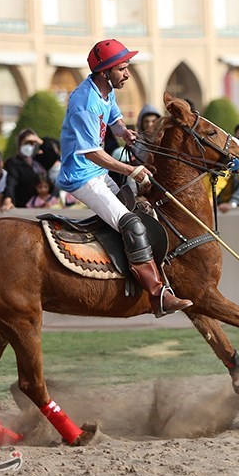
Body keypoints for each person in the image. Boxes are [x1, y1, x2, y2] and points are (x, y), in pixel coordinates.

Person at [57, 38, 192, 317]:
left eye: (127, 66)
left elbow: (115, 117)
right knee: (130, 223)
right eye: (122, 68)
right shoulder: (85, 102)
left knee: (139, 206)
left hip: (96, 172)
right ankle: (158, 297)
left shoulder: (106, 90)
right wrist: (131, 170)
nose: (127, 73)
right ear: (104, 72)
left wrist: (124, 132)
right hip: (81, 176)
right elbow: (93, 153)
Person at [0, 128, 48, 210]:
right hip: (24, 206)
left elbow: (54, 154)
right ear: (20, 143)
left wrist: (39, 141)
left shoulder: (37, 162)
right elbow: (11, 183)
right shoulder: (14, 162)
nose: (29, 146)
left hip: (42, 205)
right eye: (26, 143)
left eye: (32, 143)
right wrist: (8, 200)